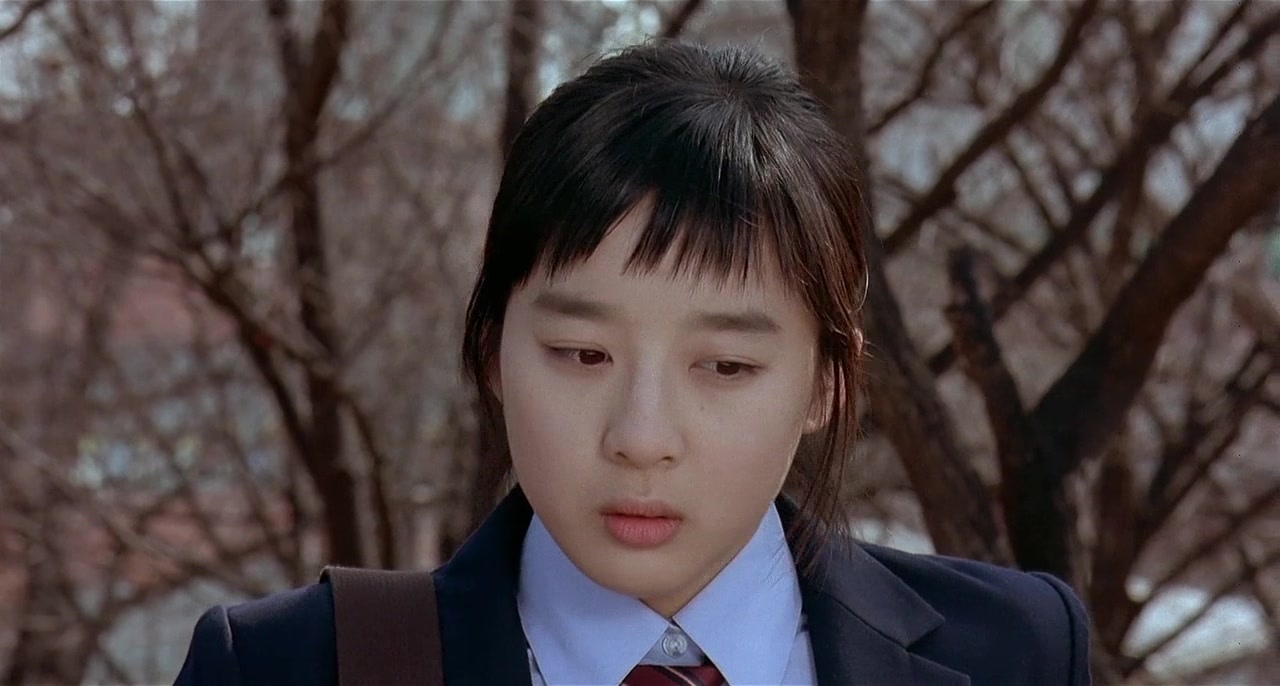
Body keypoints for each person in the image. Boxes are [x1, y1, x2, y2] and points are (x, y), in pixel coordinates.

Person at [175, 40, 1091, 686]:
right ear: (492, 351)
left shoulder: (1016, 653)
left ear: (827, 382)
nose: (642, 438)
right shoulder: (285, 666)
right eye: (583, 353)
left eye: (725, 366)